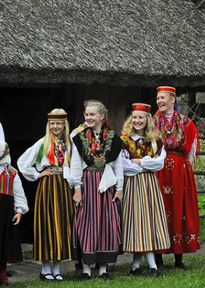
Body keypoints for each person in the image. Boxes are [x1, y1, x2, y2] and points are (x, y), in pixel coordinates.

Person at [17, 109, 74, 281]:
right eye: (52, 123)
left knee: (62, 224)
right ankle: (45, 268)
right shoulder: (43, 143)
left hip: (63, 186)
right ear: (48, 124)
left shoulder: (69, 144)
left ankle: (57, 269)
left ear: (64, 124)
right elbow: (22, 162)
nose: (55, 126)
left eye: (58, 123)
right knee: (46, 223)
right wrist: (37, 174)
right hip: (47, 186)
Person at [70, 100, 123, 279]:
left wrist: (120, 187)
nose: (89, 118)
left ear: (102, 116)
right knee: (87, 222)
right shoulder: (79, 137)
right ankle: (86, 268)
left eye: (92, 114)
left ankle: (103, 268)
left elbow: (118, 164)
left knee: (106, 222)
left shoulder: (113, 138)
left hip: (107, 184)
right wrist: (77, 188)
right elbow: (76, 165)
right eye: (86, 114)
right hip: (88, 182)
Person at [120, 103, 171, 277]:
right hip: (133, 184)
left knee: (148, 221)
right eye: (134, 117)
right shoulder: (124, 140)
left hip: (150, 185)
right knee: (137, 222)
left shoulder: (155, 140)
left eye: (141, 117)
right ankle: (152, 267)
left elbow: (160, 163)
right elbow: (124, 166)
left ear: (147, 119)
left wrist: (140, 162)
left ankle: (136, 266)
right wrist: (146, 163)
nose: (137, 120)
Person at [153, 86, 200, 269]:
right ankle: (158, 257)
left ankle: (179, 258)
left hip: (180, 170)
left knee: (180, 207)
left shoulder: (186, 122)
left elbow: (191, 148)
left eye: (163, 98)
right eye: (158, 99)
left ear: (173, 100)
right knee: (160, 207)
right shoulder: (152, 121)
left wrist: (185, 167)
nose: (159, 101)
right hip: (158, 168)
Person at [0, 141, 28, 285]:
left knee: (3, 243)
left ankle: (2, 273)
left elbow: (19, 193)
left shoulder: (11, 173)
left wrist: (19, 210)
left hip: (4, 214)